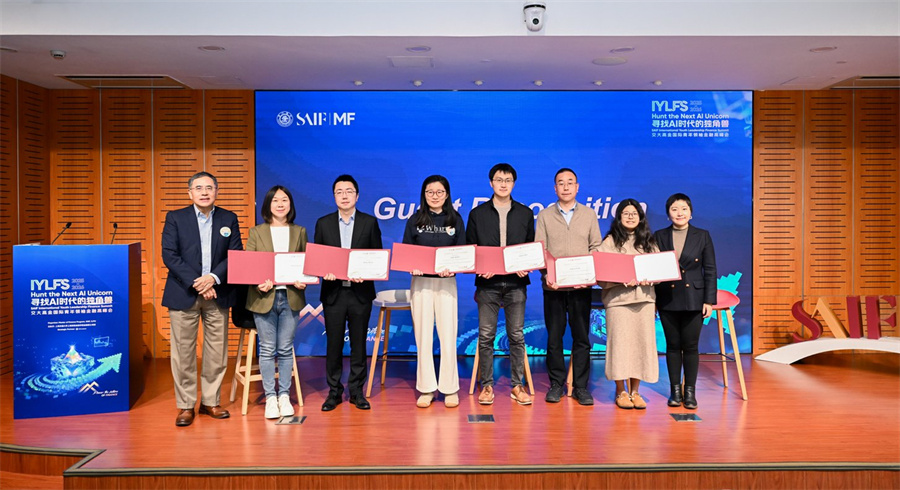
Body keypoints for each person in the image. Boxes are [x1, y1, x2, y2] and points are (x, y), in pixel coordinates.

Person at [162, 171, 243, 427]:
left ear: (217, 191)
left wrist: (213, 278)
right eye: (199, 188)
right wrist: (199, 282)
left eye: (209, 187)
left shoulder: (229, 217)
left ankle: (210, 401)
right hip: (184, 292)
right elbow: (170, 255)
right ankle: (186, 405)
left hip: (218, 292)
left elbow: (235, 254)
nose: (204, 192)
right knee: (183, 353)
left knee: (217, 351)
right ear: (190, 193)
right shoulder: (175, 217)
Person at [466, 163, 535, 406]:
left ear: (513, 183)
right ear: (491, 183)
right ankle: (486, 385)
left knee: (516, 335)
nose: (503, 184)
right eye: (498, 179)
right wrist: (479, 267)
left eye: (507, 180)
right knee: (486, 336)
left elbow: (530, 247)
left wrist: (527, 265)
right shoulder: (477, 214)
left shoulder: (525, 213)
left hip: (516, 283)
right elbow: (470, 248)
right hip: (488, 284)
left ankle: (517, 385)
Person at [314, 175, 383, 412]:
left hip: (359, 293)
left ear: (357, 195)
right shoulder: (323, 223)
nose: (344, 196)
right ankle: (334, 392)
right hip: (333, 293)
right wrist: (324, 272)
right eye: (339, 192)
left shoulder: (369, 222)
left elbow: (376, 257)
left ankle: (356, 392)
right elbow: (319, 258)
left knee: (358, 345)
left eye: (349, 191)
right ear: (334, 196)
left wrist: (367, 273)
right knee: (333, 345)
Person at [535, 168, 602, 406]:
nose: (565, 187)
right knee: (554, 337)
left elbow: (596, 246)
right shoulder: (545, 215)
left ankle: (580, 387)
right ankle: (556, 384)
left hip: (581, 287)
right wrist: (547, 275)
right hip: (553, 287)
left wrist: (589, 276)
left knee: (582, 337)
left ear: (577, 187)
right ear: (555, 188)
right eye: (561, 183)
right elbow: (540, 249)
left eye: (570, 183)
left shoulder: (589, 214)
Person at [245, 185, 308, 419]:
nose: (280, 204)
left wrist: (303, 281)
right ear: (268, 205)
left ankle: (284, 396)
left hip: (291, 297)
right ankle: (270, 397)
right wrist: (257, 283)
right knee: (267, 348)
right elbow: (249, 265)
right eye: (275, 200)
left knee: (285, 348)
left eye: (284, 200)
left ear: (290, 204)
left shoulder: (299, 231)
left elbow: (306, 263)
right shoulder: (256, 231)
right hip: (264, 297)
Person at [403, 175, 466, 408]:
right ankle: (427, 388)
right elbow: (406, 252)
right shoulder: (415, 219)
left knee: (448, 335)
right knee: (423, 336)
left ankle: (449, 388)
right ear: (424, 194)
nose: (435, 196)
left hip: (446, 283)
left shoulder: (455, 219)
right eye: (430, 192)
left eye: (439, 192)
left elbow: (463, 251)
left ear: (447, 194)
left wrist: (454, 267)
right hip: (421, 283)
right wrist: (412, 265)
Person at [653, 193, 717, 410]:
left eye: (683, 209)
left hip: (694, 299)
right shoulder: (659, 235)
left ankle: (690, 392)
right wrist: (653, 301)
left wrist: (709, 300)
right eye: (674, 209)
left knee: (690, 346)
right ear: (668, 214)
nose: (679, 213)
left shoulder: (702, 235)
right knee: (672, 346)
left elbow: (710, 270)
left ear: (691, 213)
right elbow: (653, 268)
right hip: (667, 297)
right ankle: (675, 391)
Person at [597, 199, 659, 410]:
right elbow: (600, 274)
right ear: (619, 217)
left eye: (634, 213)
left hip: (644, 301)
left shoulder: (649, 242)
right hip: (618, 302)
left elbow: (661, 270)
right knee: (620, 346)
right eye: (626, 213)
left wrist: (651, 278)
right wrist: (620, 279)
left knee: (641, 345)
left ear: (641, 217)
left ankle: (635, 391)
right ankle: (620, 390)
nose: (630, 217)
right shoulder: (609, 242)